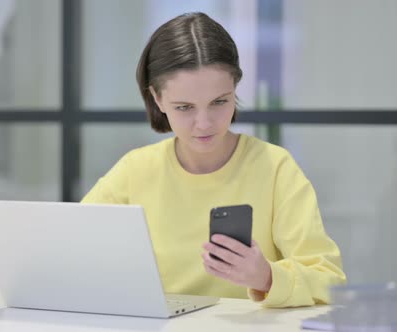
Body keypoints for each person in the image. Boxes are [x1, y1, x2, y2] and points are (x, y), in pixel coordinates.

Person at [81, 12, 346, 308]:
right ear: (157, 99)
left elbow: (329, 281)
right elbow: (70, 249)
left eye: (219, 101)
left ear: (235, 88)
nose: (204, 123)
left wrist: (268, 277)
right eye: (184, 107)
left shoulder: (275, 167)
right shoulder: (135, 171)